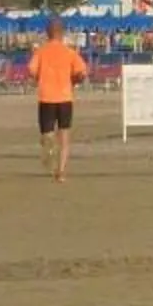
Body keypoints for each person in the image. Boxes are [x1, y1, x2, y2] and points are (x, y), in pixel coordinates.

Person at [28, 15, 87, 183]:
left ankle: (50, 153)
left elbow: (31, 71)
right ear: (62, 33)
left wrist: (39, 77)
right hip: (65, 97)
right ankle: (61, 172)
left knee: (47, 135)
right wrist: (74, 81)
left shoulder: (41, 51)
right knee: (65, 136)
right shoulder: (69, 52)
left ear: (47, 33)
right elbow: (82, 73)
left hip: (46, 97)